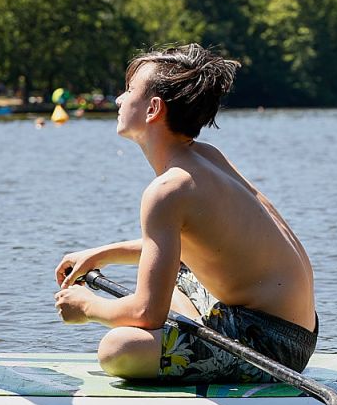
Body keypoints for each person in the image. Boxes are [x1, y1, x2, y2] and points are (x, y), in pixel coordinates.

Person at [53, 43, 318, 382]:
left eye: (129, 90)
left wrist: (87, 307)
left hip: (268, 347)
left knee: (119, 348)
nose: (119, 99)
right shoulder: (207, 156)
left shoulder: (167, 191)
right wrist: (102, 254)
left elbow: (147, 314)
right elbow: (194, 244)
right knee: (164, 279)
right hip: (298, 330)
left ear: (152, 109)